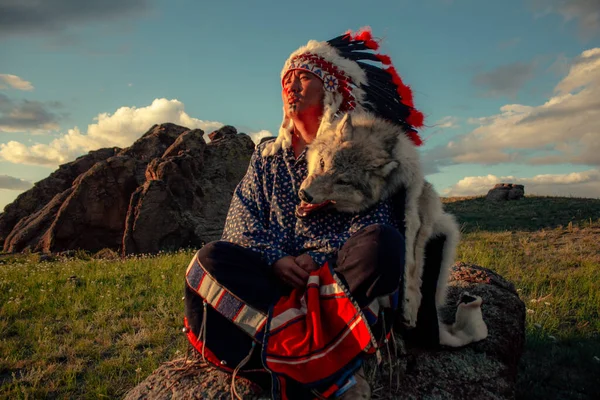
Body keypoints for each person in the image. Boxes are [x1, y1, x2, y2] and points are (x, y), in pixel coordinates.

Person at [184, 27, 447, 400]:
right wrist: (277, 259)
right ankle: (328, 371)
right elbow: (240, 222)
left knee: (382, 246)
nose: (291, 86)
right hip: (271, 286)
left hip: (334, 283)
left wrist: (316, 258)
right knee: (208, 260)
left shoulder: (359, 148)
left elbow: (373, 223)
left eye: (303, 77)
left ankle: (284, 366)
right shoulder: (266, 157)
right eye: (286, 80)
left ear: (333, 88)